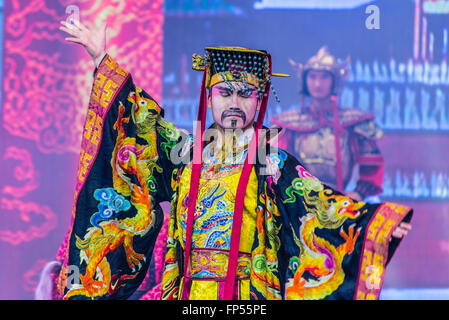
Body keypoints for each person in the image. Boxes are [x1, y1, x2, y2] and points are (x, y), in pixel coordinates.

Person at [45, 20, 412, 300]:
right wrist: (102, 61)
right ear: (209, 95)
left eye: (246, 93)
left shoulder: (272, 162)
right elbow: (140, 127)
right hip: (186, 293)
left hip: (247, 296)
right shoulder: (185, 152)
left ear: (260, 101)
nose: (235, 102)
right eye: (225, 92)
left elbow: (320, 208)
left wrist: (374, 225)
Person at [271, 46, 384, 203]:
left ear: (334, 81)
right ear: (304, 80)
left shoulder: (353, 122)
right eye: (312, 77)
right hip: (297, 202)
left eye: (324, 77)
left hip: (339, 202)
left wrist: (359, 193)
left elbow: (372, 166)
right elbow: (271, 165)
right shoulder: (287, 123)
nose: (318, 84)